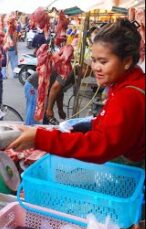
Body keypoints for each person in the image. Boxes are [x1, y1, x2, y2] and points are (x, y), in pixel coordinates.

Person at [10, 20, 144, 164]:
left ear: (127, 62)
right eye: (94, 61)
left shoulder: (128, 96)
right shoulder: (125, 84)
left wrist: (39, 138)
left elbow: (99, 146)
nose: (96, 67)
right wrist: (92, 125)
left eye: (103, 62)